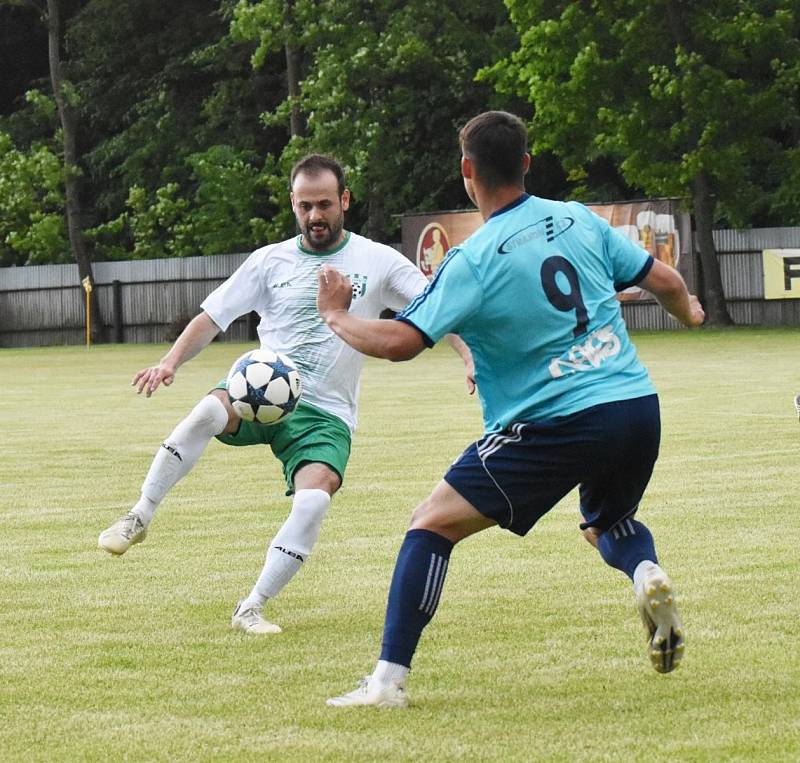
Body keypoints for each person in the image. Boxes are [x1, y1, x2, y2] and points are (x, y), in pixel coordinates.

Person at [316, 111, 705, 708]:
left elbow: (400, 343)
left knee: (430, 524)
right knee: (604, 523)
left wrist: (338, 316)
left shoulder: (473, 259)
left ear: (467, 172)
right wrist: (692, 316)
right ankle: (645, 570)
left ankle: (388, 682)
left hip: (554, 422)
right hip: (633, 405)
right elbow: (668, 282)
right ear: (526, 163)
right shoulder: (579, 218)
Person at [98, 153, 472, 635]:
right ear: (293, 206)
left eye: (324, 205)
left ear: (344, 201)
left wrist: (468, 355)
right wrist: (170, 361)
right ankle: (138, 516)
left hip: (326, 415)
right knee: (202, 415)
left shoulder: (376, 261)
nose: (315, 216)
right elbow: (214, 316)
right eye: (304, 206)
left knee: (313, 502)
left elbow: (435, 307)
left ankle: (251, 606)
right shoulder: (269, 261)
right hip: (259, 389)